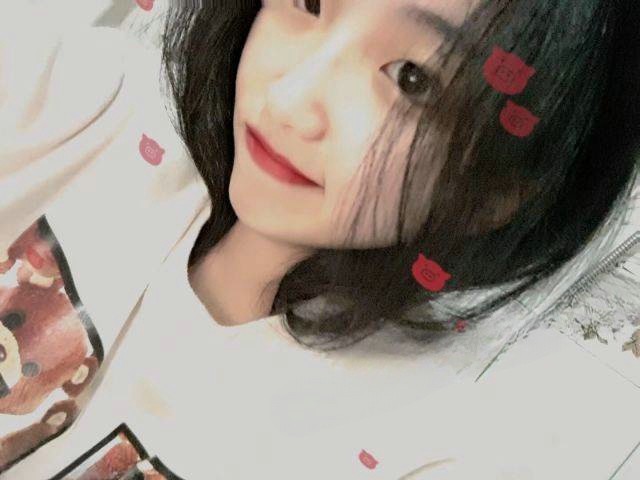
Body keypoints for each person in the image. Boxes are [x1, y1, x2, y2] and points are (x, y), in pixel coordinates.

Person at [1, 0, 639, 478]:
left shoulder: (412, 449)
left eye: (411, 78)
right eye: (307, 2)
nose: (289, 99)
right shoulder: (86, 111)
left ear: (496, 193)